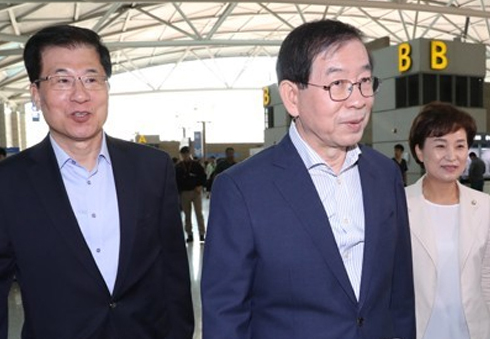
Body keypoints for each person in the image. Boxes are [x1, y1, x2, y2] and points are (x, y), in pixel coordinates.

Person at [202, 19, 415, 339]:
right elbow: (225, 314)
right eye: (338, 84)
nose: (358, 99)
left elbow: (400, 293)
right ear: (291, 96)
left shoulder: (384, 175)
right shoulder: (243, 189)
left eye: (365, 81)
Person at [0, 25, 194, 339]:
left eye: (92, 79)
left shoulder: (151, 168)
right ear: (35, 93)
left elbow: (172, 273)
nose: (80, 95)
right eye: (62, 80)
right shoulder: (8, 183)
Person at [406, 101, 490, 339]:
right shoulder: (398, 206)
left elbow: (487, 276)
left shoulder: (484, 207)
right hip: (418, 330)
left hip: (472, 331)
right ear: (420, 151)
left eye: (460, 146)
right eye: (440, 146)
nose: (452, 156)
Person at [175, 146, 207, 242]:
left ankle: (202, 234)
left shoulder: (196, 165)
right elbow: (176, 180)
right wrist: (179, 191)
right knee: (187, 214)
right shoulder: (178, 167)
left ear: (189, 154)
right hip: (184, 193)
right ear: (181, 155)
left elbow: (203, 176)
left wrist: (201, 186)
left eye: (186, 153)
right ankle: (189, 234)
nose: (185, 155)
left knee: (199, 213)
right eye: (183, 154)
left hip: (195, 192)